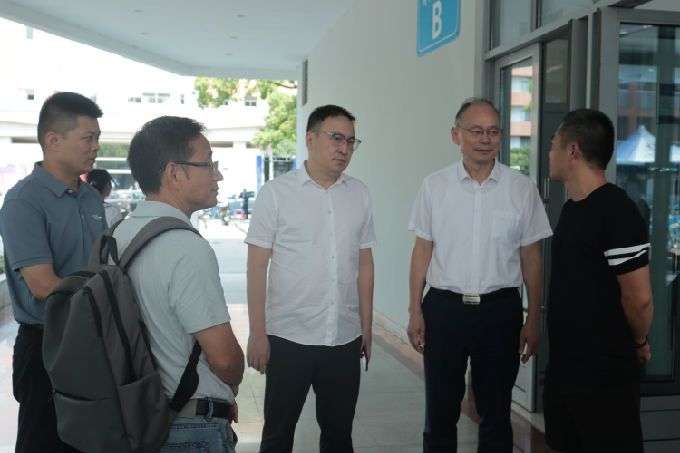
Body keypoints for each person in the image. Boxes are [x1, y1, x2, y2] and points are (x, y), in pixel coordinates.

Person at [407, 98, 552, 453]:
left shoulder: (521, 189)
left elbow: (531, 257)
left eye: (493, 131)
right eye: (476, 131)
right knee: (440, 412)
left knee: (496, 414)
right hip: (444, 310)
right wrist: (415, 310)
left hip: (500, 313)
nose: (485, 139)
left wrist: (533, 317)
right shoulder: (435, 186)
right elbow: (422, 250)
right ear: (456, 135)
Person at [246, 104, 376, 453]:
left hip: (343, 337)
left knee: (339, 435)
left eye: (350, 141)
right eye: (336, 138)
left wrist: (366, 327)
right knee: (278, 435)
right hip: (289, 337)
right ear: (309, 139)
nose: (344, 148)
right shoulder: (276, 193)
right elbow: (256, 266)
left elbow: (364, 263)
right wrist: (257, 332)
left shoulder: (359, 194)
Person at [114, 116, 245, 452]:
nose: (217, 175)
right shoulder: (185, 247)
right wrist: (232, 380)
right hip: (189, 428)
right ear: (174, 173)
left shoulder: (118, 235)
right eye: (208, 164)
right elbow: (224, 358)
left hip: (138, 416)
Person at [0, 92, 105, 452]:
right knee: (43, 441)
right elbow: (43, 285)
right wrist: (106, 299)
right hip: (47, 343)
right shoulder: (24, 201)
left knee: (90, 439)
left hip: (91, 338)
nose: (96, 146)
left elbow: (103, 266)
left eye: (97, 137)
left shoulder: (90, 198)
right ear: (53, 140)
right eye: (87, 138)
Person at [544, 108, 653, 453]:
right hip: (566, 374)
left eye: (553, 145)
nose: (549, 153)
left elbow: (639, 299)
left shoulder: (617, 211)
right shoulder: (573, 208)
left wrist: (638, 341)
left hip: (605, 380)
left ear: (572, 151)